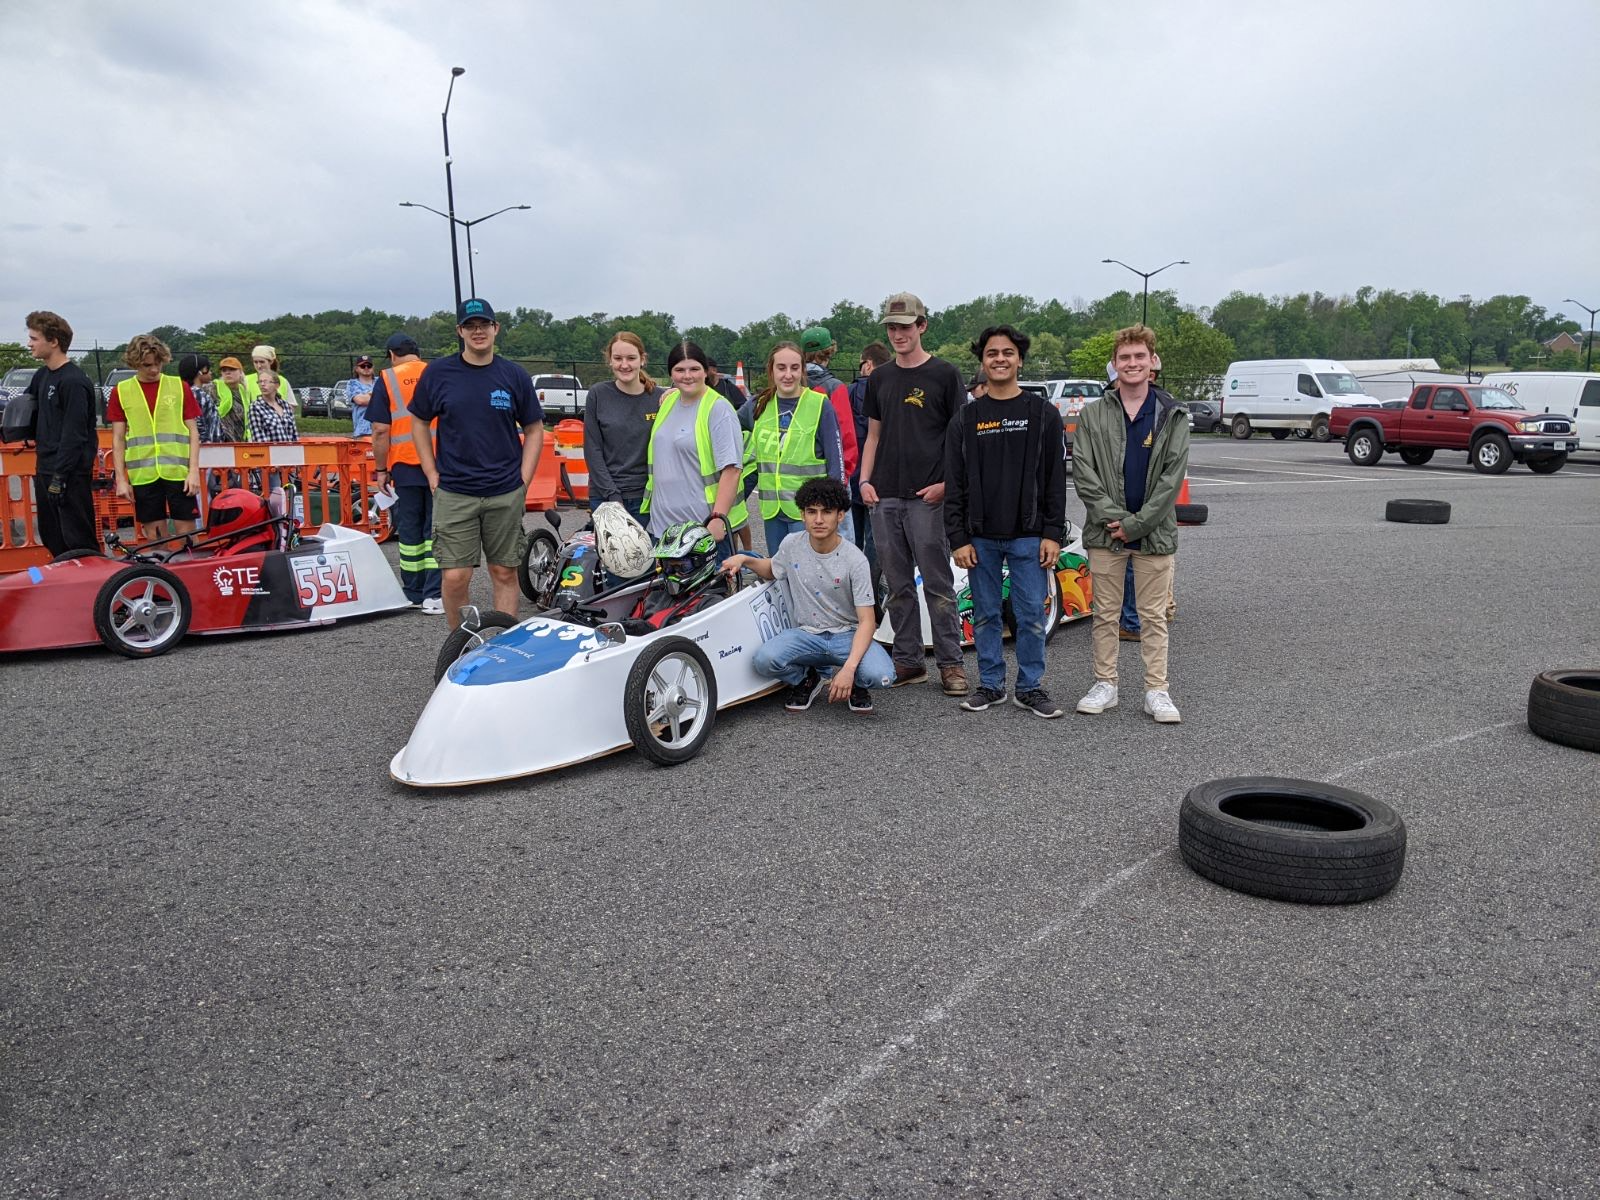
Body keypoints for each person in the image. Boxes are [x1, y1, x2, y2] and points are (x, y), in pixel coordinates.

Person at [944, 325, 1067, 718]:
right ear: (982, 362)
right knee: (985, 614)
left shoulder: (1043, 414)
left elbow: (1054, 479)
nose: (1000, 358)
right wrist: (958, 537)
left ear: (1020, 360)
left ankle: (1030, 687)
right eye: (992, 353)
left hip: (1029, 536)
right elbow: (955, 483)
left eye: (1008, 352)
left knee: (1031, 614)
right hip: (979, 536)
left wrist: (1052, 532)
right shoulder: (966, 418)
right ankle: (991, 684)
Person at [1073, 325, 1190, 723]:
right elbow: (1084, 473)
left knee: (1152, 616)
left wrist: (1137, 524)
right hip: (1105, 534)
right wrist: (1115, 519)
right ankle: (1105, 683)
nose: (1132, 364)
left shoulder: (1173, 414)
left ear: (1152, 361)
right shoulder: (1092, 414)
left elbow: (1171, 479)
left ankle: (1156, 690)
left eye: (1140, 356)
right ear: (1114, 364)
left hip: (1155, 534)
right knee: (1105, 613)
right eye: (1125, 358)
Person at [407, 298, 544, 629]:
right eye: (470, 326)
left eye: (484, 325)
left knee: (504, 571)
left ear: (496, 329)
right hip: (455, 491)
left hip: (504, 491)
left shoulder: (513, 375)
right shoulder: (439, 373)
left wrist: (523, 481)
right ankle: (462, 644)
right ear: (460, 331)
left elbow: (534, 428)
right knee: (455, 576)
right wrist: (430, 472)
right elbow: (419, 422)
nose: (478, 331)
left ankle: (504, 647)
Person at [858, 291, 968, 696]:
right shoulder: (881, 377)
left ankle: (951, 664)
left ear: (922, 326)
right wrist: (864, 480)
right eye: (891, 327)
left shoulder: (945, 375)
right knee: (897, 583)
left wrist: (947, 485)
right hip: (884, 495)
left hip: (927, 497)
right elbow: (873, 434)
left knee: (937, 584)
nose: (898, 334)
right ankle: (908, 660)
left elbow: (960, 439)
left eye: (905, 326)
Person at [724, 477, 895, 714]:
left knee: (882, 675)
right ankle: (808, 678)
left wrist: (848, 669)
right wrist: (744, 559)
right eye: (811, 511)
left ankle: (855, 683)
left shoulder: (855, 560)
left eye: (826, 512)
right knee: (763, 660)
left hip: (847, 634)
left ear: (840, 516)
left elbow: (867, 622)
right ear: (802, 515)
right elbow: (772, 569)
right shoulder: (792, 544)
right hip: (806, 634)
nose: (818, 519)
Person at [641, 339, 745, 563]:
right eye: (680, 370)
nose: (687, 376)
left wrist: (717, 519)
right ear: (671, 374)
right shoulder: (668, 402)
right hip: (663, 530)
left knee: (707, 598)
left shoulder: (718, 409)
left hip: (702, 530)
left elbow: (732, 469)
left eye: (694, 369)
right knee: (664, 596)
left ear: (706, 371)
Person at [368, 333, 442, 612]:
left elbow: (379, 430)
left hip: (405, 465)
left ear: (391, 354)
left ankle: (413, 591)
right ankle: (435, 594)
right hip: (439, 463)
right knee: (435, 528)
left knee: (410, 529)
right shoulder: (436, 372)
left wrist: (381, 470)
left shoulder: (387, 379)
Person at [748, 340, 845, 555]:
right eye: (781, 368)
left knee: (809, 577)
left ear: (803, 370)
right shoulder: (760, 404)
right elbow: (725, 419)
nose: (788, 375)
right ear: (771, 371)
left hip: (809, 512)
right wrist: (677, 393)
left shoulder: (820, 404)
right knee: (780, 574)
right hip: (773, 512)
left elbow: (836, 462)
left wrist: (832, 509)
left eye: (794, 368)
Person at [108, 333, 202, 541]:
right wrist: (121, 479)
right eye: (147, 365)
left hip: (178, 471)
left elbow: (193, 431)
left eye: (158, 363)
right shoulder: (121, 391)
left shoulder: (179, 386)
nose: (154, 369)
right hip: (143, 474)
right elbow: (118, 438)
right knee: (155, 536)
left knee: (187, 534)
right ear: (134, 363)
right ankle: (159, 572)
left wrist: (194, 471)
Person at [23, 310, 98, 555]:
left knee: (77, 539)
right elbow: (27, 409)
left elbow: (74, 434)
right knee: (52, 535)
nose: (29, 343)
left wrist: (61, 476)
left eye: (34, 338)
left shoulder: (74, 381)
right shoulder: (42, 375)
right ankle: (61, 586)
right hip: (45, 467)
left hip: (69, 474)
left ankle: (91, 587)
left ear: (53, 341)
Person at [584, 331, 664, 527]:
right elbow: (592, 449)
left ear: (642, 360)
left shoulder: (660, 399)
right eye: (618, 358)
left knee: (648, 557)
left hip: (647, 499)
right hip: (605, 496)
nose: (624, 364)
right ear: (609, 360)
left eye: (631, 358)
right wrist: (613, 496)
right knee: (611, 557)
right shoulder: (598, 395)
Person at [799, 325, 860, 525]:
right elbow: (846, 436)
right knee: (840, 540)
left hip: (798, 477)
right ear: (830, 351)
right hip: (831, 475)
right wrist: (844, 476)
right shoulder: (834, 388)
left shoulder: (792, 387)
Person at [847, 341, 890, 561]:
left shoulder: (849, 391)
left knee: (852, 538)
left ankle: (851, 587)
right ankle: (871, 588)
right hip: (880, 477)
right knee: (876, 539)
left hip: (852, 474)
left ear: (868, 365)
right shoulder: (890, 390)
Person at [179, 353, 222, 443]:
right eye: (207, 369)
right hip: (207, 449)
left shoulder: (185, 392)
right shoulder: (197, 394)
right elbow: (198, 426)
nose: (210, 372)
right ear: (199, 372)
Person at [245, 345, 297, 413]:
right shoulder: (246, 380)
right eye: (255, 362)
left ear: (271, 362)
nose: (259, 366)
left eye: (262, 362)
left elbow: (291, 404)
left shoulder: (283, 381)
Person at [213, 356, 249, 441]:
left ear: (240, 372)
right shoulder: (213, 388)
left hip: (241, 441)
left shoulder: (244, 391)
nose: (227, 373)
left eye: (232, 369)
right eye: (224, 370)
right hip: (220, 441)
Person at [349, 355, 376, 436]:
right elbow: (360, 400)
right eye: (362, 366)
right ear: (356, 369)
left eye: (369, 366)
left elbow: (390, 398)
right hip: (362, 431)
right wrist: (380, 396)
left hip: (381, 429)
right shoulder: (352, 384)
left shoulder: (381, 381)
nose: (366, 368)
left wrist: (368, 396)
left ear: (373, 367)